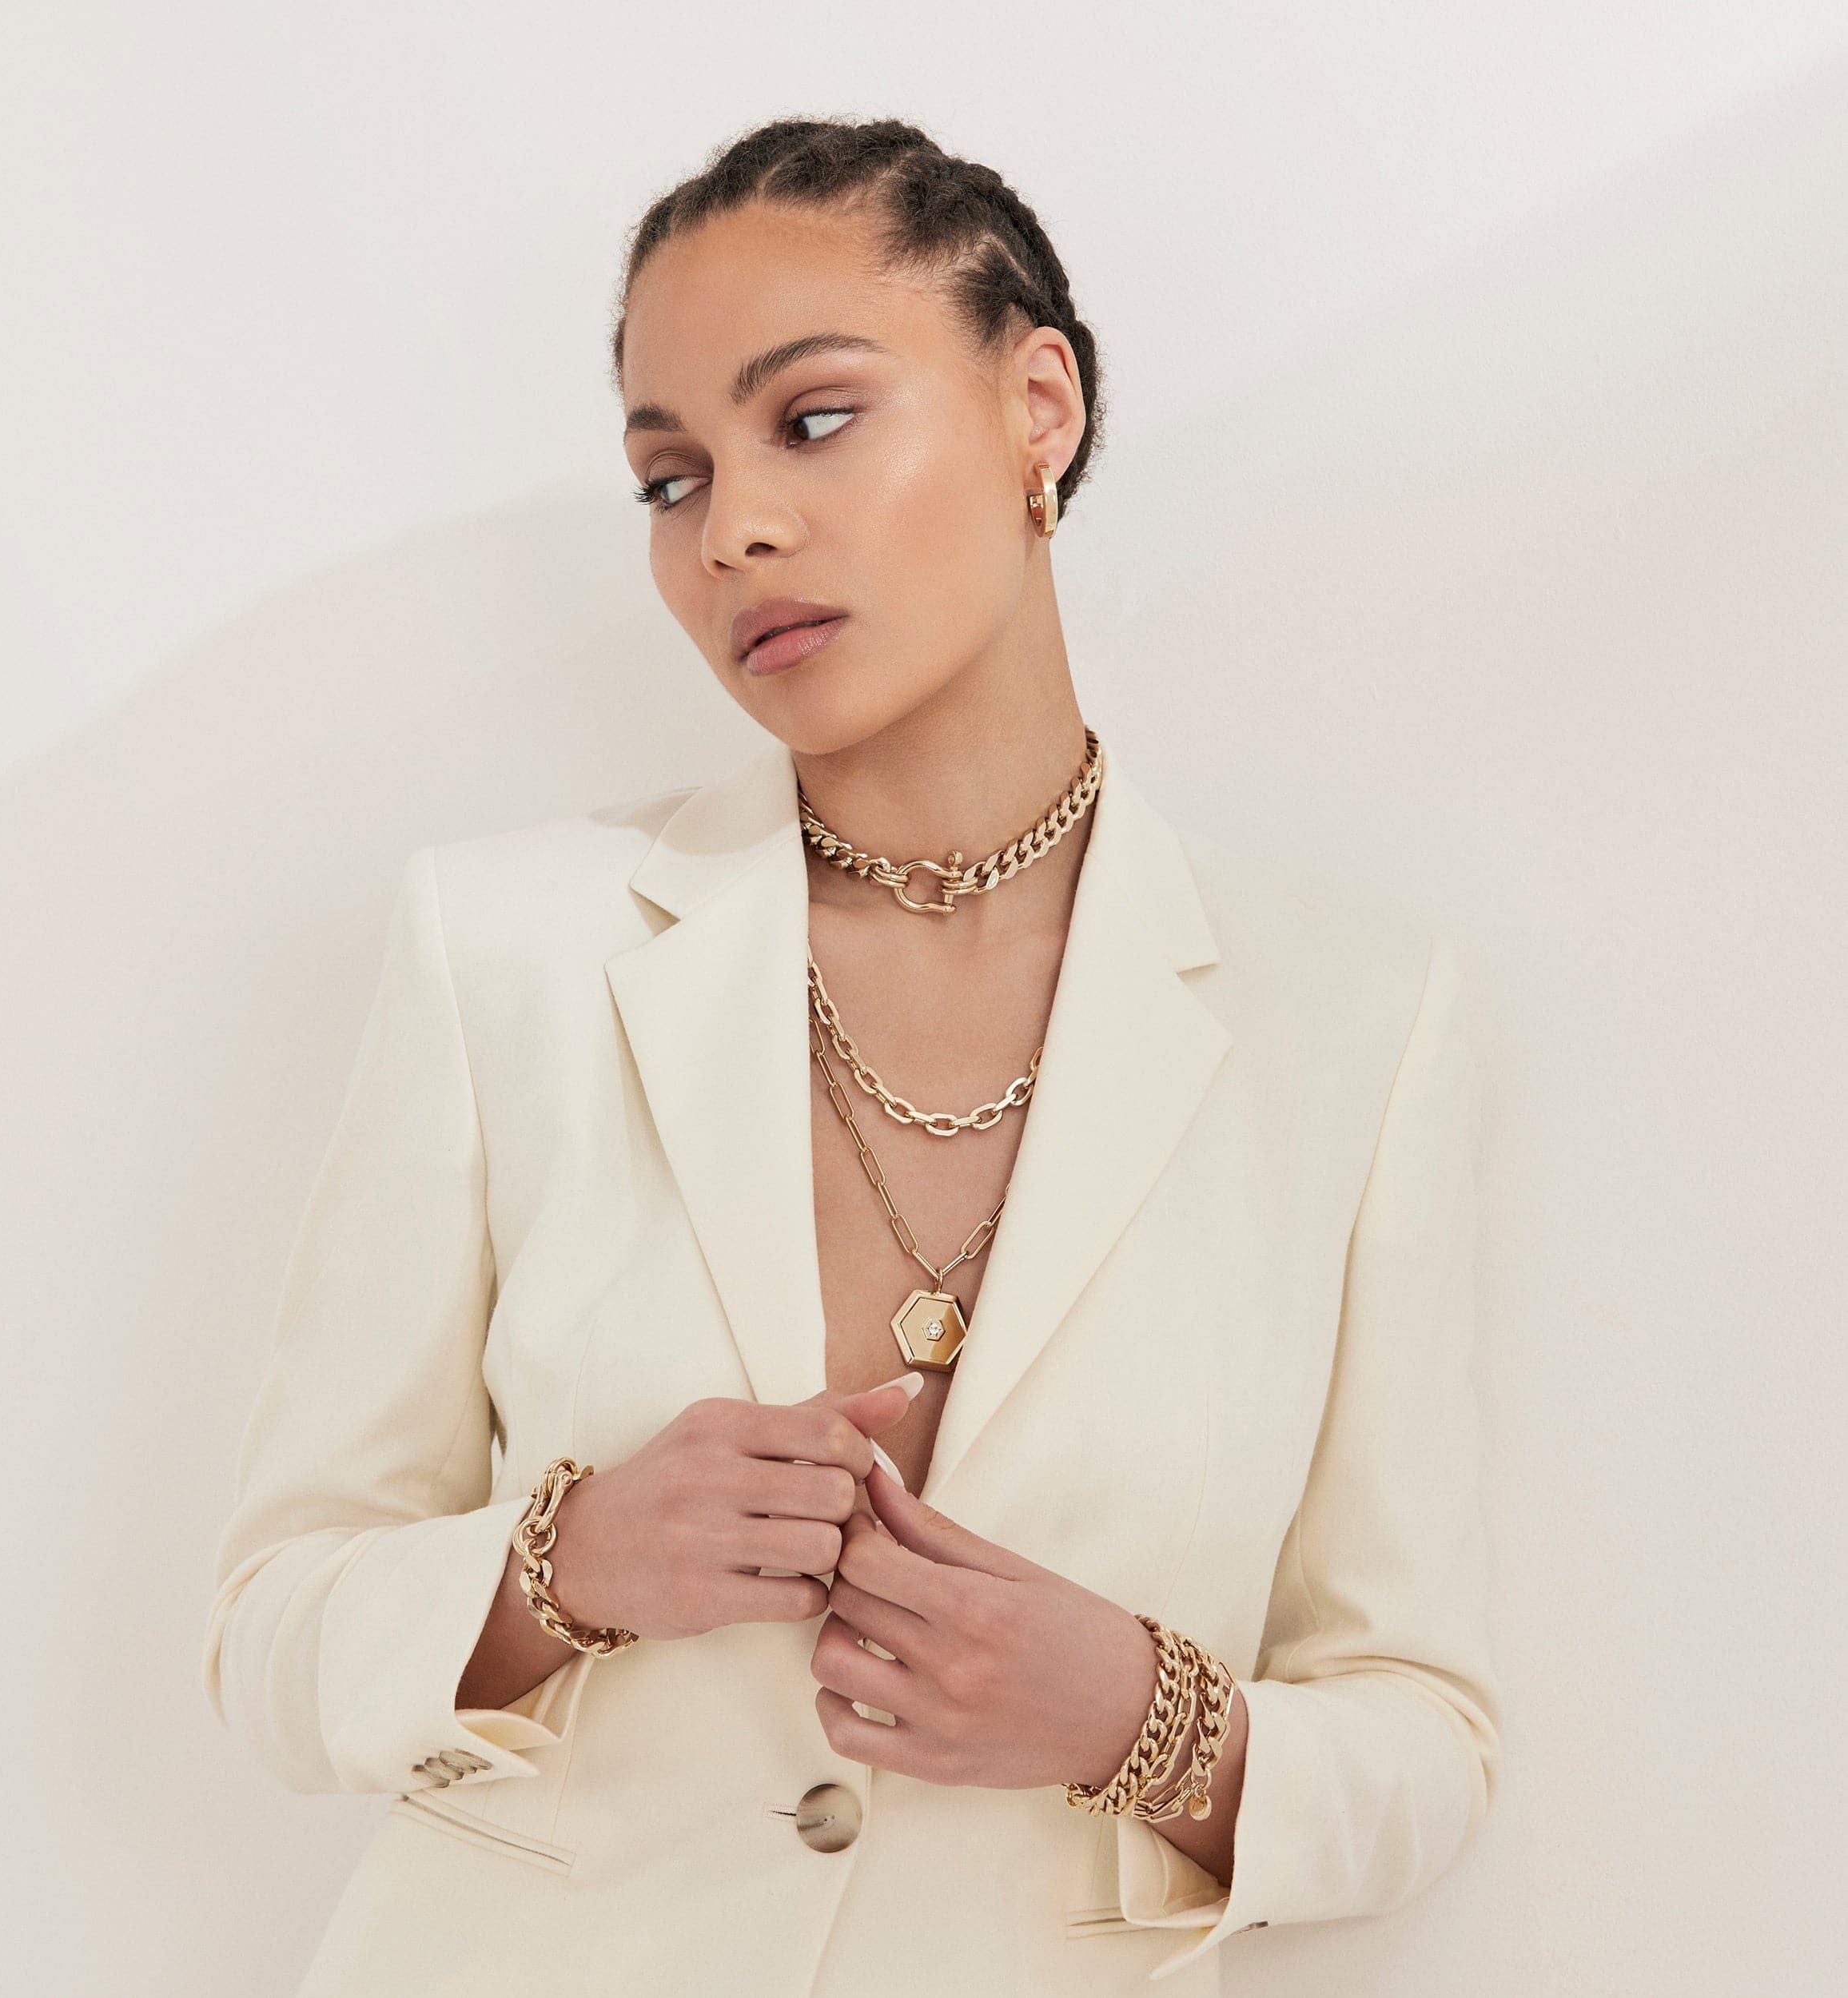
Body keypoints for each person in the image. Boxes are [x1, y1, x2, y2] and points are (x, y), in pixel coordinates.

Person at [202, 115, 1503, 1995]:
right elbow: (269, 1631)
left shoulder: (1356, 1018)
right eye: (670, 476)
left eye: (810, 420)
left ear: (1034, 403)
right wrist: (559, 1568)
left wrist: (1144, 1713)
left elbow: (1423, 1735)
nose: (730, 525)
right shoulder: (509, 949)